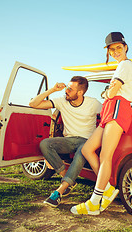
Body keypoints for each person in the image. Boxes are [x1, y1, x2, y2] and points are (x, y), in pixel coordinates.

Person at [71, 32, 132, 215]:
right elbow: (111, 91)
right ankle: (106, 189)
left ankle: (94, 202)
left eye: (118, 47)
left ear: (125, 47)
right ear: (108, 51)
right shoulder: (121, 66)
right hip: (111, 109)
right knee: (87, 149)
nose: (116, 51)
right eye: (112, 49)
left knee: (105, 157)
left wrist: (107, 93)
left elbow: (113, 91)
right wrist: (108, 93)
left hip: (118, 108)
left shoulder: (125, 65)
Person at [29, 76, 102, 208]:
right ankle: (69, 180)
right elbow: (33, 104)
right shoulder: (62, 101)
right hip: (69, 140)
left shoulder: (93, 103)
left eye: (70, 89)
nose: (66, 91)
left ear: (80, 92)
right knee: (45, 144)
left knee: (82, 153)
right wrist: (52, 90)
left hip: (87, 141)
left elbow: (109, 115)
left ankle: (59, 192)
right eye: (67, 87)